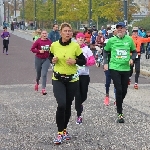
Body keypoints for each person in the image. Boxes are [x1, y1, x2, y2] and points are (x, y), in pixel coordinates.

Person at [49, 22, 86, 144]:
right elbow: (50, 56)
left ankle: (64, 130)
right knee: (61, 104)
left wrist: (75, 61)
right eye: (65, 31)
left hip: (72, 80)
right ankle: (59, 133)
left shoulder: (75, 46)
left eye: (69, 31)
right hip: (58, 79)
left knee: (68, 105)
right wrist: (52, 60)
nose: (68, 33)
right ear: (60, 32)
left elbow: (83, 61)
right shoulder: (54, 45)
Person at [103, 22, 137, 123]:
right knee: (119, 88)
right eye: (118, 28)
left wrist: (132, 59)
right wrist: (105, 63)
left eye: (121, 28)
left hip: (126, 68)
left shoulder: (129, 40)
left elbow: (134, 51)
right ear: (116, 30)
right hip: (114, 67)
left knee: (124, 90)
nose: (120, 30)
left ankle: (118, 102)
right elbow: (105, 51)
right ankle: (120, 114)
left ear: (125, 29)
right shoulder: (111, 40)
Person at [75, 32, 95, 124]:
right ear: (76, 39)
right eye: (79, 38)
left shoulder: (87, 50)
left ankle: (80, 104)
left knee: (84, 95)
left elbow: (92, 61)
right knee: (77, 95)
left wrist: (85, 62)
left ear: (84, 40)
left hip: (85, 74)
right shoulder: (73, 48)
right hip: (75, 75)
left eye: (82, 38)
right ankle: (79, 115)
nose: (80, 40)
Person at [31, 30, 52, 95]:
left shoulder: (49, 42)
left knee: (44, 74)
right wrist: (39, 51)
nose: (44, 34)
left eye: (45, 33)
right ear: (41, 34)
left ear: (47, 34)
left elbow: (52, 50)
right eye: (43, 33)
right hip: (38, 59)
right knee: (38, 74)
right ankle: (37, 82)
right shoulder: (38, 41)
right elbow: (32, 49)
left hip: (46, 59)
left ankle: (43, 89)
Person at [103, 25, 117, 105]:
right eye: (116, 30)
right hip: (108, 63)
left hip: (116, 64)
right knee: (108, 81)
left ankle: (116, 98)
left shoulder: (121, 40)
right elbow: (104, 52)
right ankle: (107, 96)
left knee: (116, 81)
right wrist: (105, 63)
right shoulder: (108, 40)